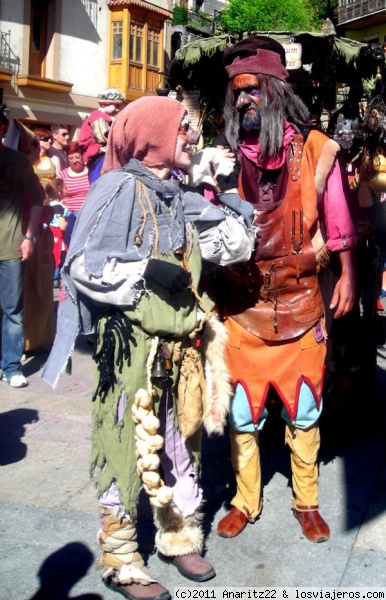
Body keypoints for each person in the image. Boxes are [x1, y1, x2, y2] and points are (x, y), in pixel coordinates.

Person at [41, 95, 255, 600]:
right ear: (155, 136)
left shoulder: (176, 193)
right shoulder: (116, 189)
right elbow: (80, 267)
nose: (192, 138)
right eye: (183, 128)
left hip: (181, 348)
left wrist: (226, 192)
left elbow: (237, 246)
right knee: (123, 446)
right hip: (131, 346)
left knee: (182, 444)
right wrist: (143, 269)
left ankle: (179, 537)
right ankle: (122, 559)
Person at [210, 36, 356, 544]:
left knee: (305, 414)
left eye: (251, 90)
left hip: (301, 310)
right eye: (236, 93)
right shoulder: (222, 159)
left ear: (274, 90)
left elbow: (338, 223)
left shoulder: (318, 151)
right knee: (242, 418)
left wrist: (349, 274)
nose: (243, 101)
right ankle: (245, 501)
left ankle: (307, 501)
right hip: (242, 311)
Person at [0, 112, 44, 387]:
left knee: (12, 311)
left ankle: (12, 366)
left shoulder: (16, 161)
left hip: (10, 247)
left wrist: (29, 237)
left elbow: (38, 198)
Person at [78, 87, 124, 182]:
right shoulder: (98, 117)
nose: (117, 110)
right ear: (104, 104)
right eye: (115, 106)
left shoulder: (104, 117)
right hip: (97, 151)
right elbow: (102, 137)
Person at [58, 141, 90, 247]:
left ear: (82, 157)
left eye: (77, 157)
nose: (74, 161)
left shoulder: (91, 172)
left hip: (87, 214)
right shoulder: (62, 175)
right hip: (69, 215)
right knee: (70, 243)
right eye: (71, 158)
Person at [45, 178, 69, 286]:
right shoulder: (61, 207)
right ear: (59, 192)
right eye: (65, 188)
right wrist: (68, 223)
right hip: (58, 237)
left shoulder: (47, 206)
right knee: (60, 258)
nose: (67, 189)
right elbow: (62, 226)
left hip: (48, 237)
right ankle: (58, 280)